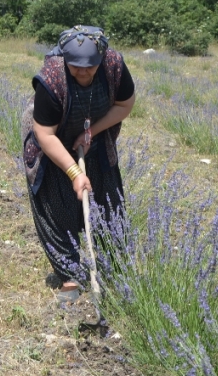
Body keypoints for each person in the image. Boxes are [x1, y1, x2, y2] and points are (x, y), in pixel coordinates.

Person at [21, 25, 135, 302]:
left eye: (89, 67)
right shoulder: (52, 77)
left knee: (108, 200)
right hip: (50, 137)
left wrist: (91, 132)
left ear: (100, 59)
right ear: (65, 59)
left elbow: (124, 105)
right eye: (76, 67)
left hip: (91, 131)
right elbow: (45, 134)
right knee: (56, 204)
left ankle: (110, 270)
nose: (83, 72)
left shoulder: (113, 66)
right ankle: (69, 276)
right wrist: (73, 172)